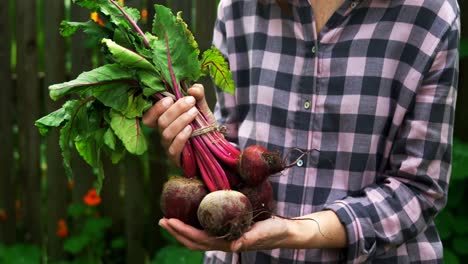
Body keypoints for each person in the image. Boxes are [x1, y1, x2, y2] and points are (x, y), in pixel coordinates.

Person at [143, 0, 460, 262]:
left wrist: (296, 231)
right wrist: (193, 138)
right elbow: (234, 146)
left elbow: (419, 187)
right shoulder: (238, 7)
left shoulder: (428, 14)